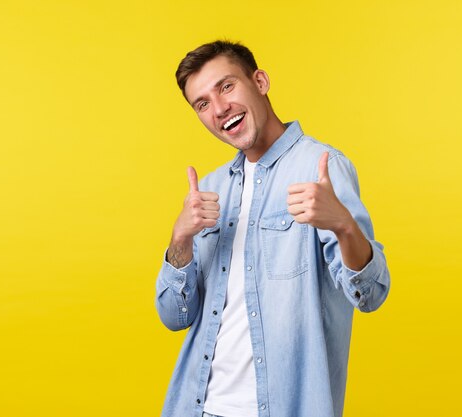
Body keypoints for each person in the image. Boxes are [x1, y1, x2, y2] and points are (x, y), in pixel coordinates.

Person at [155, 40, 390, 417]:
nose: (219, 108)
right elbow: (174, 316)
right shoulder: (211, 189)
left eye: (226, 86)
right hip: (199, 407)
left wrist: (344, 225)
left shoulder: (321, 168)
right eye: (202, 103)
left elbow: (371, 294)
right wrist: (179, 239)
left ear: (260, 81)